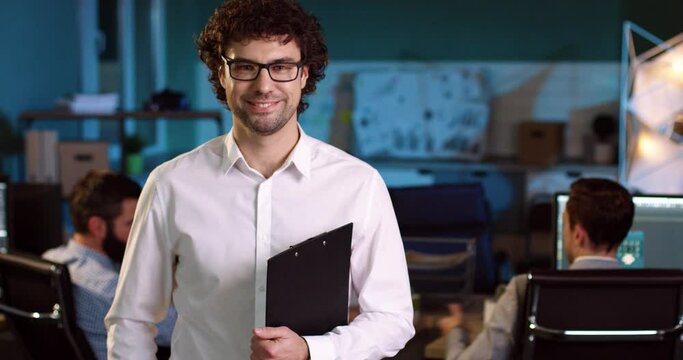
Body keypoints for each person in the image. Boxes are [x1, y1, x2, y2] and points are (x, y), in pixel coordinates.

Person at [104, 0, 415, 359]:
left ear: (304, 74)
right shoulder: (171, 184)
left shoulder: (358, 185)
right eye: (246, 67)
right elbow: (131, 320)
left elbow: (393, 318)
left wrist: (312, 351)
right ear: (221, 74)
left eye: (281, 67)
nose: (264, 85)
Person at [438, 177, 635, 360]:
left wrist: (456, 331)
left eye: (564, 225)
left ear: (578, 235)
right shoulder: (657, 296)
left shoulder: (526, 290)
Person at [42, 170, 176, 360]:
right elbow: (178, 329)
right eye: (131, 224)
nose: (142, 232)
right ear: (97, 227)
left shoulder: (51, 258)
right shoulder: (109, 289)